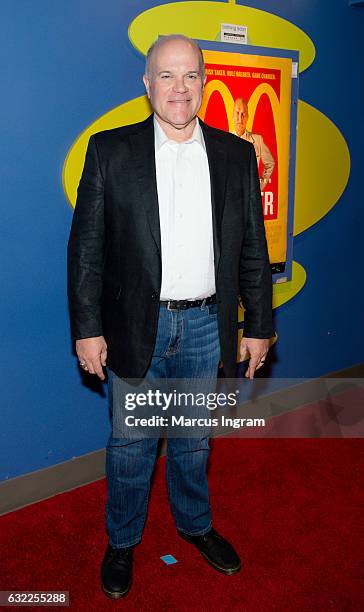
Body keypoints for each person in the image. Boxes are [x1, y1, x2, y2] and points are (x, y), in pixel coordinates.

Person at [67, 34, 274, 599]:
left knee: (194, 440)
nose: (178, 89)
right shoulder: (110, 151)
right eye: (166, 76)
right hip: (137, 326)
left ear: (204, 82)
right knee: (131, 444)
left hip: (208, 327)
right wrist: (87, 328)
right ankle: (123, 540)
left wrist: (257, 324)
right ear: (146, 83)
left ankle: (195, 525)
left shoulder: (234, 154)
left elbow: (252, 246)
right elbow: (85, 248)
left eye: (189, 76)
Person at [232, 97, 275, 191]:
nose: (240, 118)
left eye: (243, 114)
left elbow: (270, 163)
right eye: (237, 113)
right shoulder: (224, 140)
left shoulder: (257, 140)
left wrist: (259, 186)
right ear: (232, 116)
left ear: (248, 117)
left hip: (250, 195)